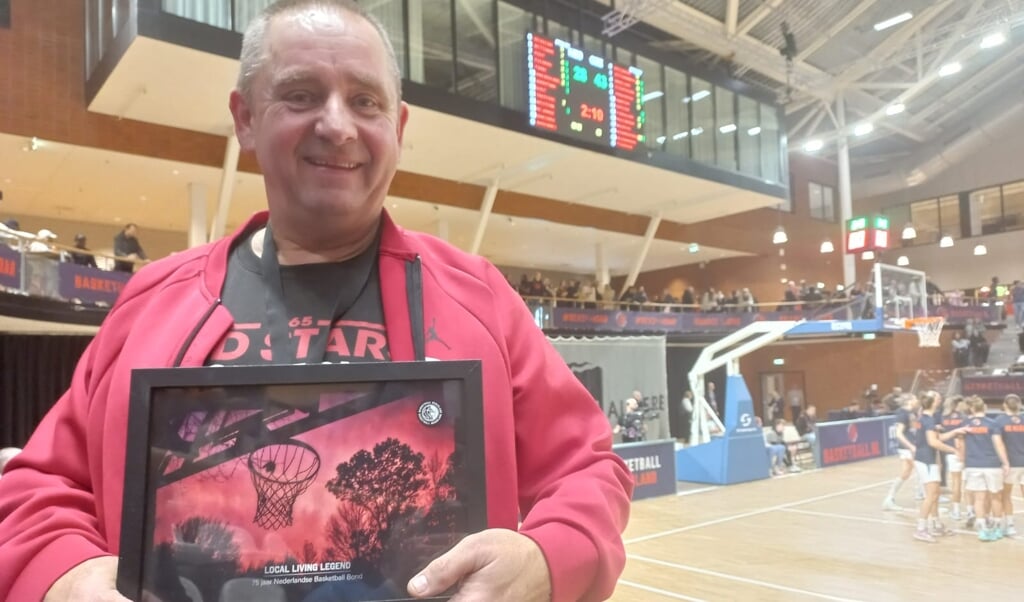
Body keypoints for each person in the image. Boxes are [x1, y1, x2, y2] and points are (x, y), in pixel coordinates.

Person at [0, 3, 633, 601]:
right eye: (301, 94)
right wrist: (65, 573)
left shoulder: (480, 299)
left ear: (398, 127)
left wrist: (549, 559)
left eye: (365, 100)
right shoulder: (150, 303)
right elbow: (39, 484)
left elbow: (588, 470)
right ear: (245, 116)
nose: (337, 124)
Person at [910, 392, 961, 543]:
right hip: (926, 461)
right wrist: (953, 450)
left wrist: (954, 432)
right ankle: (921, 529)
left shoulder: (925, 418)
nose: (940, 399)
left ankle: (936, 524)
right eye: (937, 398)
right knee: (931, 495)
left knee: (935, 494)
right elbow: (933, 442)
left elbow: (937, 438)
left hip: (927, 459)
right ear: (933, 403)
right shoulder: (928, 420)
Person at [961, 395, 1010, 541]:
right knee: (996, 497)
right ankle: (997, 528)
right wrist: (1005, 462)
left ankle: (982, 530)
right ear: (985, 408)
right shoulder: (992, 423)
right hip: (992, 465)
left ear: (971, 408)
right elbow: (999, 444)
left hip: (973, 465)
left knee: (979, 499)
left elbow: (960, 445)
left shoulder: (965, 424)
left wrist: (964, 462)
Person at [883, 395, 923, 511]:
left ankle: (890, 498)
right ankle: (923, 495)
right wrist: (910, 446)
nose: (917, 401)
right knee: (921, 469)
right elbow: (898, 433)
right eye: (915, 399)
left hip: (911, 446)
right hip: (907, 447)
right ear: (909, 401)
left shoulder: (912, 413)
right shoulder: (902, 413)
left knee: (906, 472)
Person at [995, 394, 1023, 537]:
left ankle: (1010, 525)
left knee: (1006, 495)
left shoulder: (999, 421)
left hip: (1010, 463)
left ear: (1005, 404)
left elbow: (998, 444)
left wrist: (1004, 462)